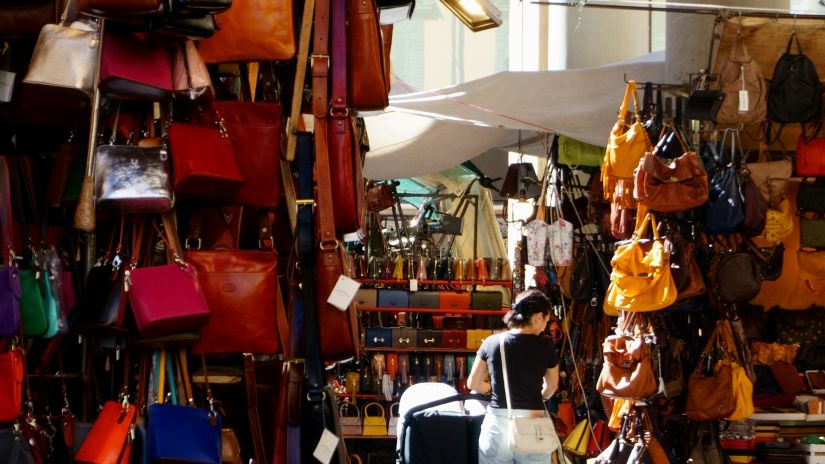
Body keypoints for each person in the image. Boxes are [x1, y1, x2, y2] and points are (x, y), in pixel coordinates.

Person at [467, 288, 560, 464]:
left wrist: (492, 388)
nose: (544, 327)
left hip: (498, 422)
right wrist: (538, 397)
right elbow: (552, 386)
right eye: (546, 321)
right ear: (538, 317)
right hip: (533, 424)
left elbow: (474, 383)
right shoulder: (546, 346)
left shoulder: (492, 342)